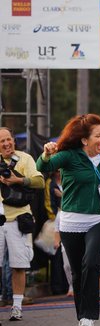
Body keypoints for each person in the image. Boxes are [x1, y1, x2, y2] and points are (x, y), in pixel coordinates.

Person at [37, 114, 100, 326]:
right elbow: (42, 168)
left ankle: (89, 316)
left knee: (91, 263)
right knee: (77, 272)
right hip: (72, 222)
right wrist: (45, 154)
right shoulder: (69, 156)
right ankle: (82, 316)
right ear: (84, 139)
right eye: (98, 136)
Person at [0, 128, 44, 321]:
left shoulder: (25, 159)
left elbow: (40, 182)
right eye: (2, 141)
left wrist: (17, 180)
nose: (6, 144)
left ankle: (16, 307)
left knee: (19, 265)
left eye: (8, 139)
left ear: (13, 140)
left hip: (19, 219)